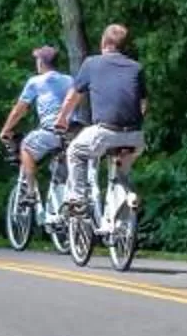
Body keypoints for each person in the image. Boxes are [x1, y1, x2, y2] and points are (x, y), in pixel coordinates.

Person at [56, 24, 146, 204]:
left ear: (104, 42)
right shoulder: (136, 68)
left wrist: (62, 118)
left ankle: (78, 199)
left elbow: (74, 96)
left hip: (105, 132)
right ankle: (128, 196)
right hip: (136, 138)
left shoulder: (92, 63)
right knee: (121, 173)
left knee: (75, 151)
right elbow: (143, 104)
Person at [0, 45, 75, 200]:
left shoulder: (36, 82)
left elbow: (19, 110)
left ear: (42, 63)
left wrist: (5, 130)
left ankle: (31, 192)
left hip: (50, 131)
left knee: (26, 147)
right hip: (71, 133)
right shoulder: (69, 80)